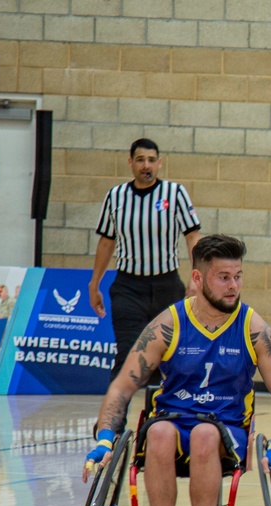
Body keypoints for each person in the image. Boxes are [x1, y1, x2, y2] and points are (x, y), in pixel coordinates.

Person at [82, 234, 271, 506]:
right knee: (159, 433)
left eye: (238, 276)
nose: (233, 286)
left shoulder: (253, 327)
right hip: (173, 419)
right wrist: (106, 437)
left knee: (203, 434)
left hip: (225, 429)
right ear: (197, 279)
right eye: (223, 277)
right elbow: (123, 385)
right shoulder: (168, 324)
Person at [90, 137, 202, 382]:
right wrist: (94, 283)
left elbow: (193, 236)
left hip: (166, 287)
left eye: (151, 160)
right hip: (128, 288)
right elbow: (107, 242)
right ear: (130, 163)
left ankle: (162, 419)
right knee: (128, 356)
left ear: (159, 164)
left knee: (169, 358)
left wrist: (196, 279)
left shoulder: (175, 193)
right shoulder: (116, 196)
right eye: (140, 160)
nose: (146, 165)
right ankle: (112, 421)